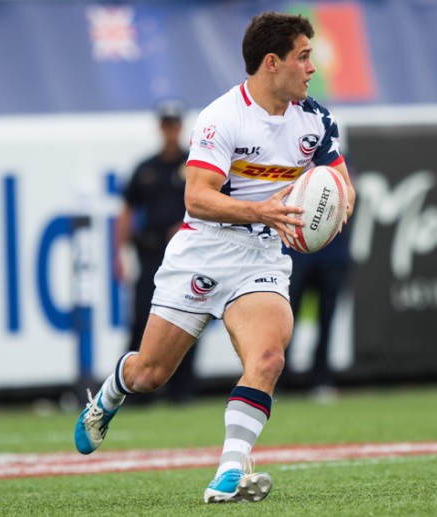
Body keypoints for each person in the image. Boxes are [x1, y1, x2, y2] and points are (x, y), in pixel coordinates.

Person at [74, 11, 354, 504]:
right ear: (273, 63)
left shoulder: (316, 118)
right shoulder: (222, 116)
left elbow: (340, 183)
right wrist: (261, 209)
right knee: (151, 374)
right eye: (303, 56)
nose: (312, 67)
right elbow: (197, 198)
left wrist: (335, 206)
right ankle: (109, 395)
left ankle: (230, 471)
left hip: (262, 255)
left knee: (267, 357)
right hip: (204, 249)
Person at [115, 99, 198, 405]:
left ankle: (181, 391)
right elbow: (125, 210)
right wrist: (119, 254)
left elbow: (210, 201)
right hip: (150, 255)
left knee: (187, 321)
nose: (170, 131)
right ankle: (136, 391)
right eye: (166, 125)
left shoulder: (194, 166)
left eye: (174, 125)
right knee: (141, 320)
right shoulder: (145, 169)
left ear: (180, 127)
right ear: (160, 128)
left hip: (186, 257)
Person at [285, 223, 350, 401]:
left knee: (327, 319)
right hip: (294, 251)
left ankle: (321, 379)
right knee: (285, 318)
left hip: (332, 253)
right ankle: (280, 380)